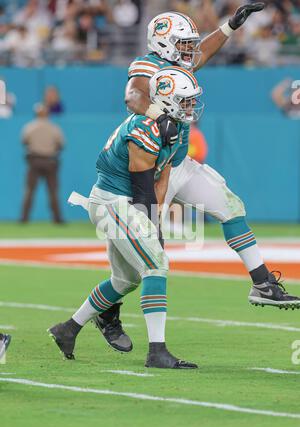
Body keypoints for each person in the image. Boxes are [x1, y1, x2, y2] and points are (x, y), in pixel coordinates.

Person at [90, 7, 300, 351]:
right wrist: (159, 115)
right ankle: (106, 312)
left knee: (230, 206)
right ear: (164, 43)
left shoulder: (180, 62)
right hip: (156, 168)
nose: (191, 50)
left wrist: (231, 25)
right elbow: (133, 96)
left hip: (179, 163)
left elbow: (201, 53)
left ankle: (262, 283)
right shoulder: (147, 65)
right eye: (184, 43)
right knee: (141, 262)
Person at [48, 67, 202, 369]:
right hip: (114, 201)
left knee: (125, 279)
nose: (191, 107)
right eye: (185, 101)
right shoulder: (144, 128)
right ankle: (157, 351)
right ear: (168, 100)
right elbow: (142, 188)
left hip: (123, 202)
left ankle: (68, 329)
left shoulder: (176, 127)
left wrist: (155, 218)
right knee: (155, 265)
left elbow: (163, 177)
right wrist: (153, 227)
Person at [20, 103, 65, 223]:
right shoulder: (54, 128)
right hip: (50, 161)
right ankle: (57, 219)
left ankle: (24, 219)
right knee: (53, 192)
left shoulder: (29, 127)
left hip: (34, 160)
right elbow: (61, 145)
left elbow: (24, 142)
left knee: (29, 191)